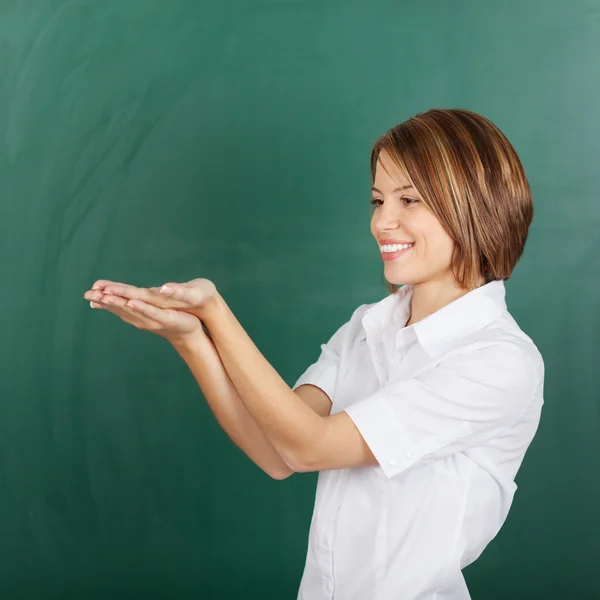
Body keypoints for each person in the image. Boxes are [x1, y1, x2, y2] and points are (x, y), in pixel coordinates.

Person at [84, 108, 544, 600]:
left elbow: (310, 447)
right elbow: (277, 450)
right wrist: (193, 339)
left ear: (476, 205)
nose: (382, 222)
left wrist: (217, 314)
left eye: (409, 199)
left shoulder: (498, 361)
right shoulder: (368, 325)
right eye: (377, 199)